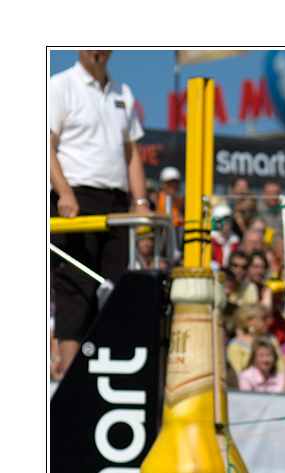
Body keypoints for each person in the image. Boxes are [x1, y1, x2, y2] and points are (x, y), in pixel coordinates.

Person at [50, 50, 152, 375]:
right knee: (75, 291)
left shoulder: (123, 91)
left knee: (116, 292)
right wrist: (63, 191)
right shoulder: (60, 85)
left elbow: (132, 152)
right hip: (76, 201)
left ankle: (106, 377)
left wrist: (141, 202)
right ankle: (70, 379)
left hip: (118, 204)